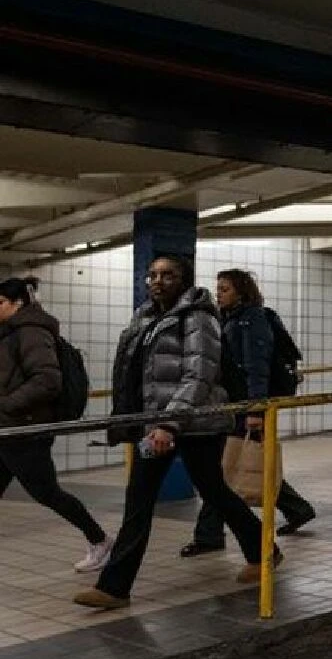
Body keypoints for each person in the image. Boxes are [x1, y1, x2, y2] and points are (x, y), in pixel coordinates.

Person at [74, 255, 279, 610]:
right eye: (152, 275)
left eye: (168, 276)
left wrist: (169, 424)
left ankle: (264, 552)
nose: (157, 281)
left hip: (195, 424)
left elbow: (199, 375)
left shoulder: (199, 317)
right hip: (156, 424)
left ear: (183, 280)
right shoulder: (146, 317)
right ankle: (114, 588)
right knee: (139, 500)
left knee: (213, 491)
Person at [180, 269, 316, 558]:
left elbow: (257, 366)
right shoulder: (227, 318)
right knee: (239, 463)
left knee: (223, 468)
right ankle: (297, 508)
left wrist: (255, 409)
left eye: (225, 289)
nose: (219, 294)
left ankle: (209, 534)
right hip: (234, 403)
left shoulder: (251, 319)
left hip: (247, 405)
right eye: (218, 289)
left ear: (242, 291)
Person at [0, 278, 113, 573]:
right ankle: (99, 540)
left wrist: (6, 405)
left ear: (18, 303)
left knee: (47, 492)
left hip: (25, 430)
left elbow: (47, 380)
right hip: (8, 429)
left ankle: (99, 540)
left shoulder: (32, 332)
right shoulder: (10, 333)